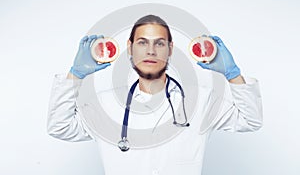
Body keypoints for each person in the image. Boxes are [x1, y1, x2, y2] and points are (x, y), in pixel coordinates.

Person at [47, 15, 263, 175]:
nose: (151, 51)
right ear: (130, 48)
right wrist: (74, 76)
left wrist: (233, 75)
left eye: (159, 43)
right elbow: (59, 127)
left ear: (170, 49)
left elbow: (250, 120)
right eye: (142, 42)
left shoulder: (202, 101)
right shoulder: (105, 104)